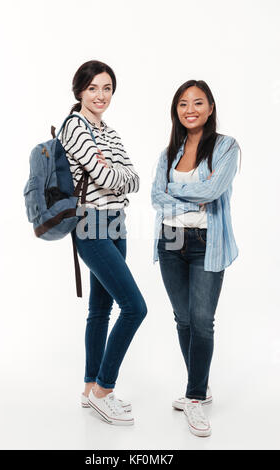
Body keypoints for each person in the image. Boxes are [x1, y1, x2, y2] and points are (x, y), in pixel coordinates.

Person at [151, 80, 241, 437]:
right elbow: (157, 197)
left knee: (203, 319)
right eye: (183, 104)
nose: (190, 109)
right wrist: (188, 195)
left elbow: (215, 189)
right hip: (170, 239)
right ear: (176, 110)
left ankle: (194, 396)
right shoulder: (168, 153)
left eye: (198, 103)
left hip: (207, 240)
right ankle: (198, 389)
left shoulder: (226, 147)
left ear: (210, 108)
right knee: (183, 318)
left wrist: (176, 191)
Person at [59, 60, 147, 426]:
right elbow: (104, 174)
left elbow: (134, 178)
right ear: (80, 90)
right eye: (93, 87)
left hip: (116, 225)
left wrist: (113, 172)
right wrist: (112, 173)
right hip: (91, 225)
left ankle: (88, 388)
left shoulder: (108, 132)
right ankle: (104, 391)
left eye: (107, 88)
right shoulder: (74, 126)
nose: (101, 95)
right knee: (135, 308)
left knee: (101, 310)